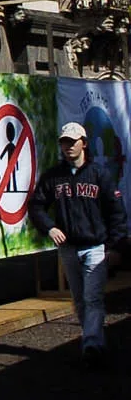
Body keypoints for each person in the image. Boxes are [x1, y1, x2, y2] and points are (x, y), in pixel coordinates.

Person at [30, 119, 126, 364]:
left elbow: (116, 211)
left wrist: (116, 246)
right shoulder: (54, 176)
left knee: (92, 296)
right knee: (80, 299)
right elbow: (36, 205)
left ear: (83, 144)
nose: (68, 147)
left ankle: (92, 344)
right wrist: (49, 227)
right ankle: (91, 339)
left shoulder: (99, 175)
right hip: (68, 248)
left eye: (72, 142)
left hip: (95, 246)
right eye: (64, 143)